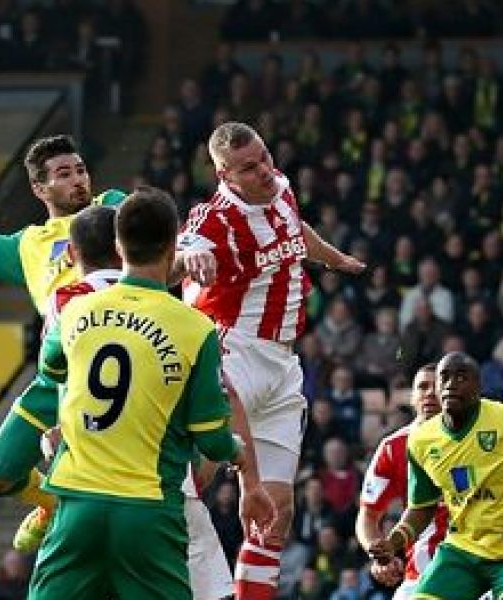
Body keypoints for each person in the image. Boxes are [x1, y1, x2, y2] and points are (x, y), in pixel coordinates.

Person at [0, 135, 218, 551]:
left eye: (81, 170)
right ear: (39, 189)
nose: (78, 180)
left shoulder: (114, 207)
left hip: (131, 363)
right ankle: (51, 503)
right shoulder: (28, 245)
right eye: (64, 174)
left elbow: (161, 253)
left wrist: (188, 255)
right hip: (62, 375)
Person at [30, 187, 272, 599]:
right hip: (147, 509)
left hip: (77, 503)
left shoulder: (75, 310)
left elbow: (52, 370)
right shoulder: (194, 328)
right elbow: (211, 436)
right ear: (173, 246)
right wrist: (237, 452)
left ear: (118, 245)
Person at [177, 121, 364, 599]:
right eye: (248, 167)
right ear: (223, 174)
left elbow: (294, 234)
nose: (263, 169)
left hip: (282, 364)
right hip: (231, 351)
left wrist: (332, 258)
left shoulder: (279, 186)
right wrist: (190, 254)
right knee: (189, 488)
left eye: (263, 156)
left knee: (276, 513)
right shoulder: (213, 219)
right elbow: (184, 245)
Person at [368, 352, 503, 600]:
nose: (452, 384)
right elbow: (422, 507)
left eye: (462, 377)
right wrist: (394, 541)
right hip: (461, 551)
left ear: (479, 387)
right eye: (445, 377)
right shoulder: (421, 441)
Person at [355, 364, 446, 600]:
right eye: (422, 387)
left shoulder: (477, 439)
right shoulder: (393, 448)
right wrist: (380, 555)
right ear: (412, 397)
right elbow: (368, 515)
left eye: (436, 386)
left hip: (479, 569)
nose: (429, 393)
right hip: (421, 575)